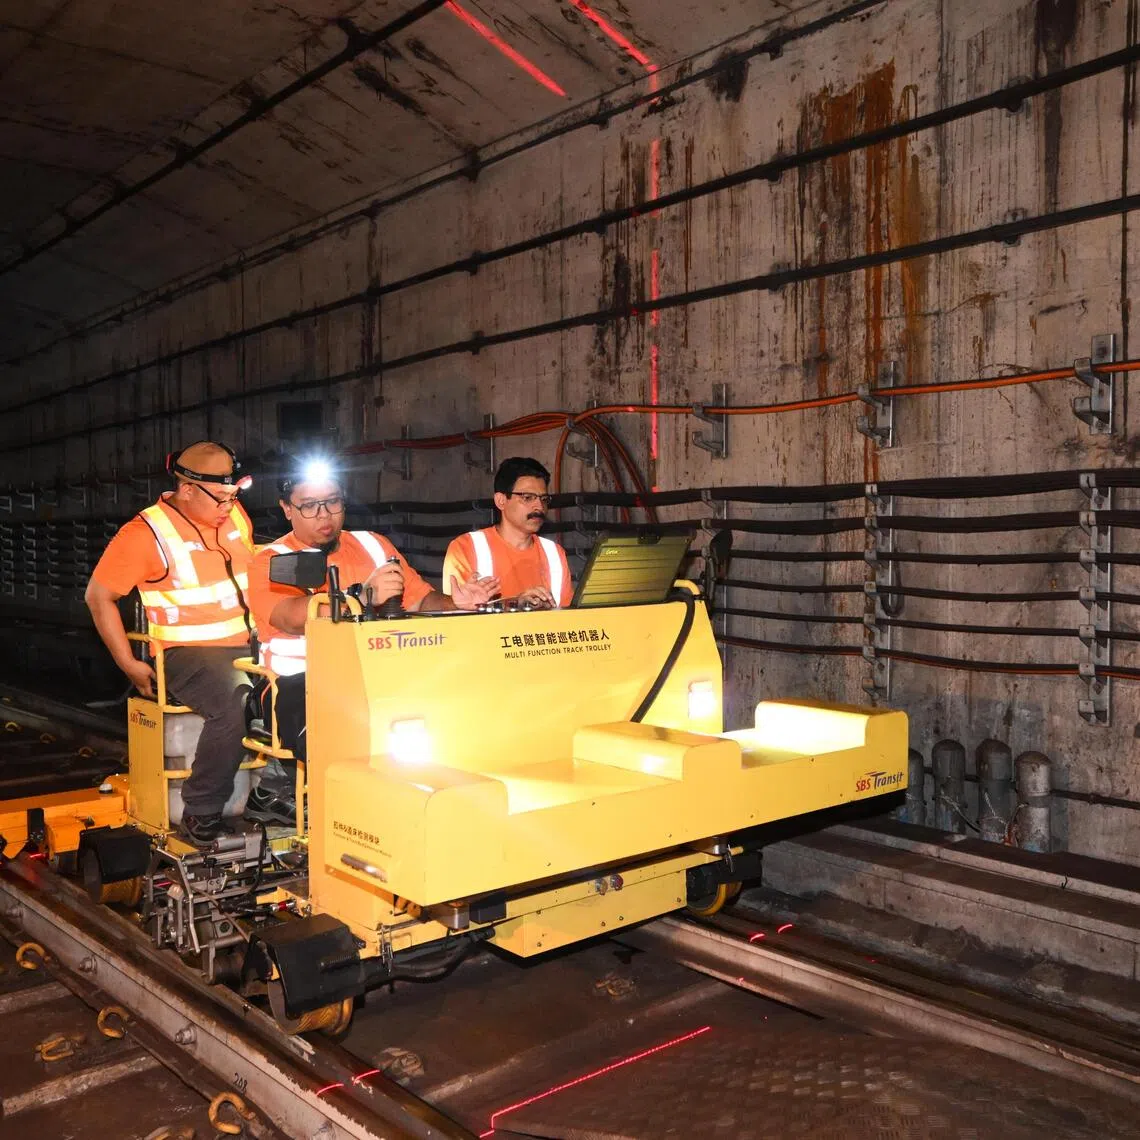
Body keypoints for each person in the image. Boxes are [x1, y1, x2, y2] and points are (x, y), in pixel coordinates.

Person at [245, 460, 498, 821]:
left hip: (380, 679)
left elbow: (421, 600)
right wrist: (361, 595)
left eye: (333, 502)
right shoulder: (270, 561)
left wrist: (455, 602)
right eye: (309, 506)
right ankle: (350, 817)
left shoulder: (373, 546)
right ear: (287, 510)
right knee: (352, 745)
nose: (325, 514)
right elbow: (290, 616)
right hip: (299, 687)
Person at [85, 442, 255, 846]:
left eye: (235, 495)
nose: (229, 505)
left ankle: (276, 796)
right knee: (237, 702)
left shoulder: (232, 514)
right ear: (187, 489)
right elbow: (98, 596)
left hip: (250, 643)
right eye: (222, 497)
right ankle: (201, 812)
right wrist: (128, 662)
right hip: (190, 654)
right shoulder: (145, 533)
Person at [442, 456, 572, 609]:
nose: (539, 507)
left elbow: (568, 616)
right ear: (501, 501)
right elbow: (457, 616)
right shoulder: (466, 548)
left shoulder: (554, 554)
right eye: (528, 498)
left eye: (544, 499)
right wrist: (515, 605)